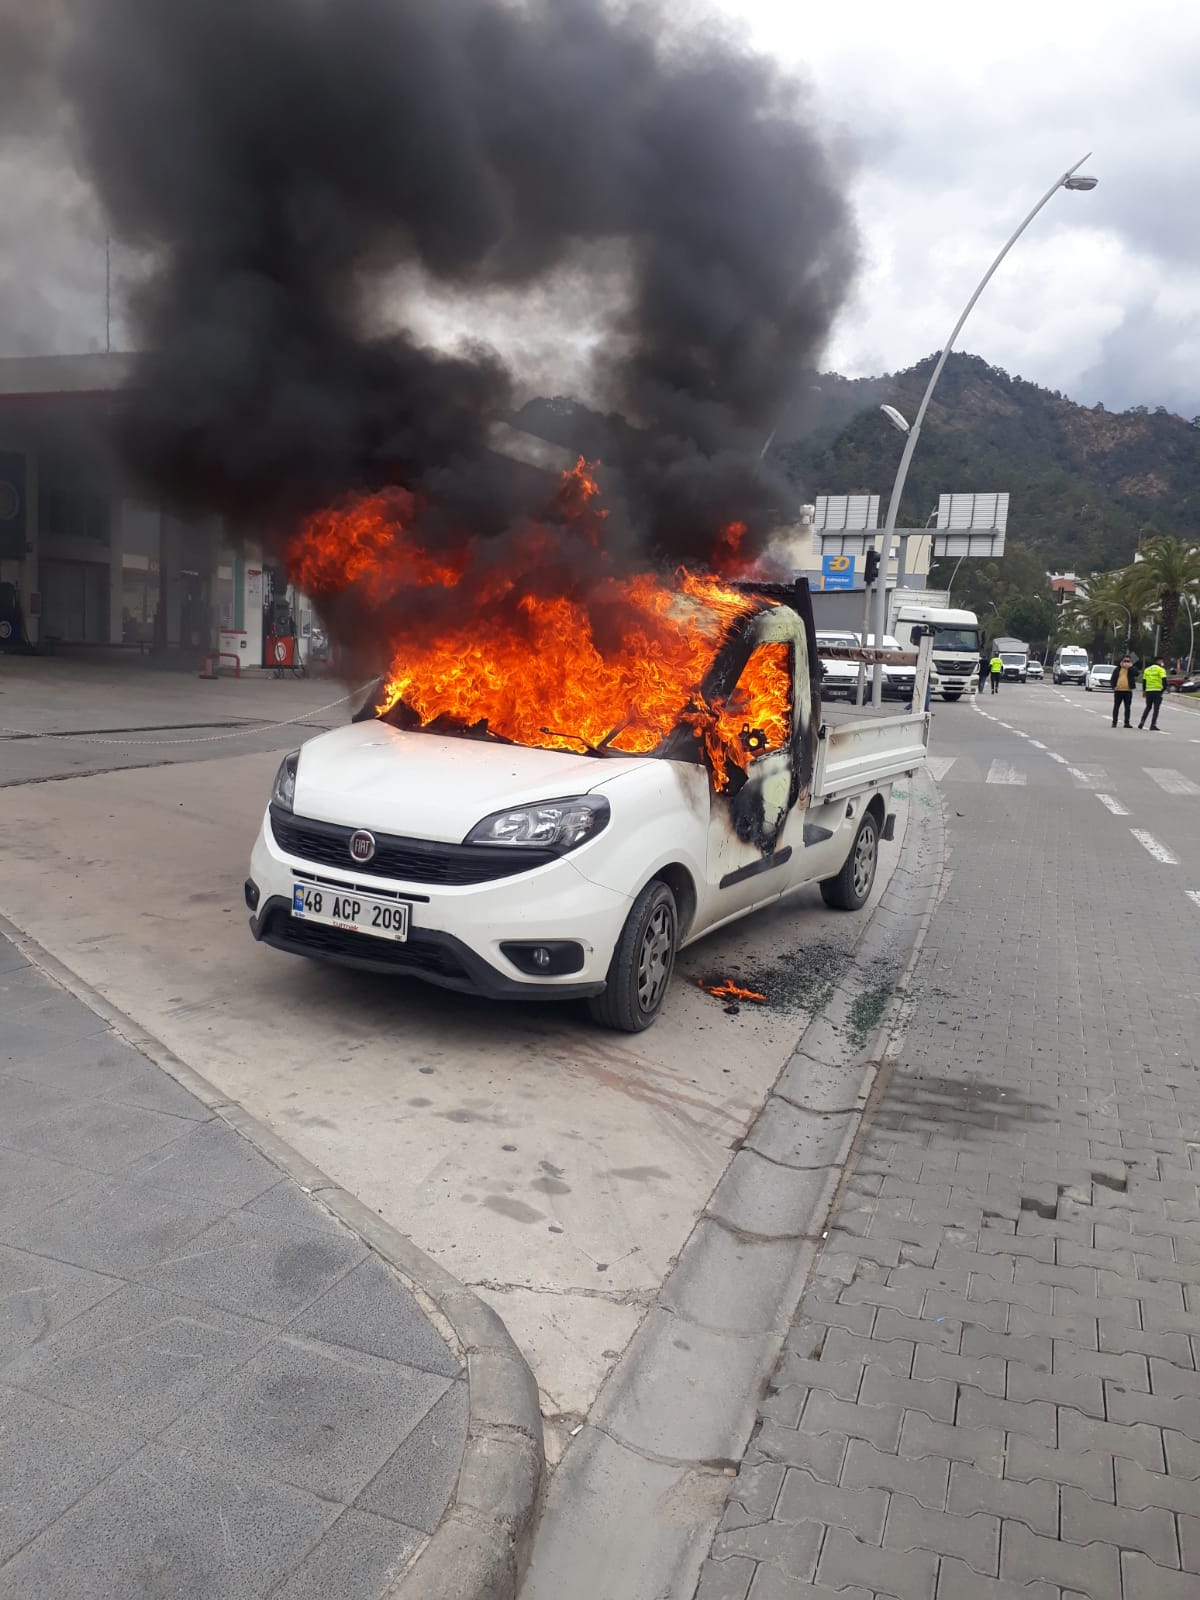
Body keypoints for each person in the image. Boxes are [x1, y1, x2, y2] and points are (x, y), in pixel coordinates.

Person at [1139, 655, 1167, 730]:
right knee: (1156, 709)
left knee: (1148, 707)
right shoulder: (1161, 669)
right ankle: (1152, 725)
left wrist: (1144, 691)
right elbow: (1164, 681)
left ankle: (1142, 721)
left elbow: (1144, 681)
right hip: (1157, 691)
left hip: (1148, 691)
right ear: (1159, 661)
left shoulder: (1147, 670)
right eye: (1162, 661)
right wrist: (1162, 690)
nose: (1162, 662)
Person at [1110, 655, 1135, 727]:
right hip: (1118, 691)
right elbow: (1113, 678)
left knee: (1127, 708)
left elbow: (1136, 673)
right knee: (1116, 706)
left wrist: (1130, 667)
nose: (1126, 662)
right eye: (1125, 661)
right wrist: (1113, 686)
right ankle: (1114, 722)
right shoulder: (1118, 669)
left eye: (1128, 661)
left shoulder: (1131, 669)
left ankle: (1126, 722)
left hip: (1128, 691)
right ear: (1122, 661)